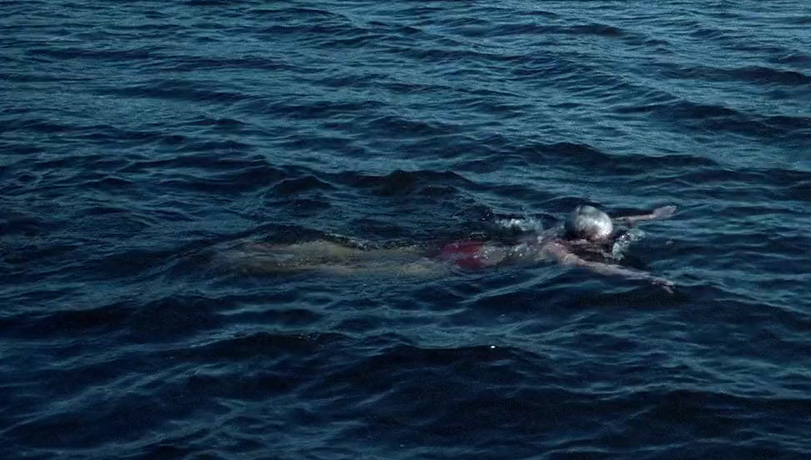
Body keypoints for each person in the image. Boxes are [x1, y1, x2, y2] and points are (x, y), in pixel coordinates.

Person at [224, 204, 678, 290]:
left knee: (365, 253)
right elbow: (601, 271)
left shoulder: (549, 232)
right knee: (363, 272)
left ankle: (269, 248)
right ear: (588, 240)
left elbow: (610, 220)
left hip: (464, 246)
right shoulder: (560, 253)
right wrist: (645, 276)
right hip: (465, 268)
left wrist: (649, 216)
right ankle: (273, 267)